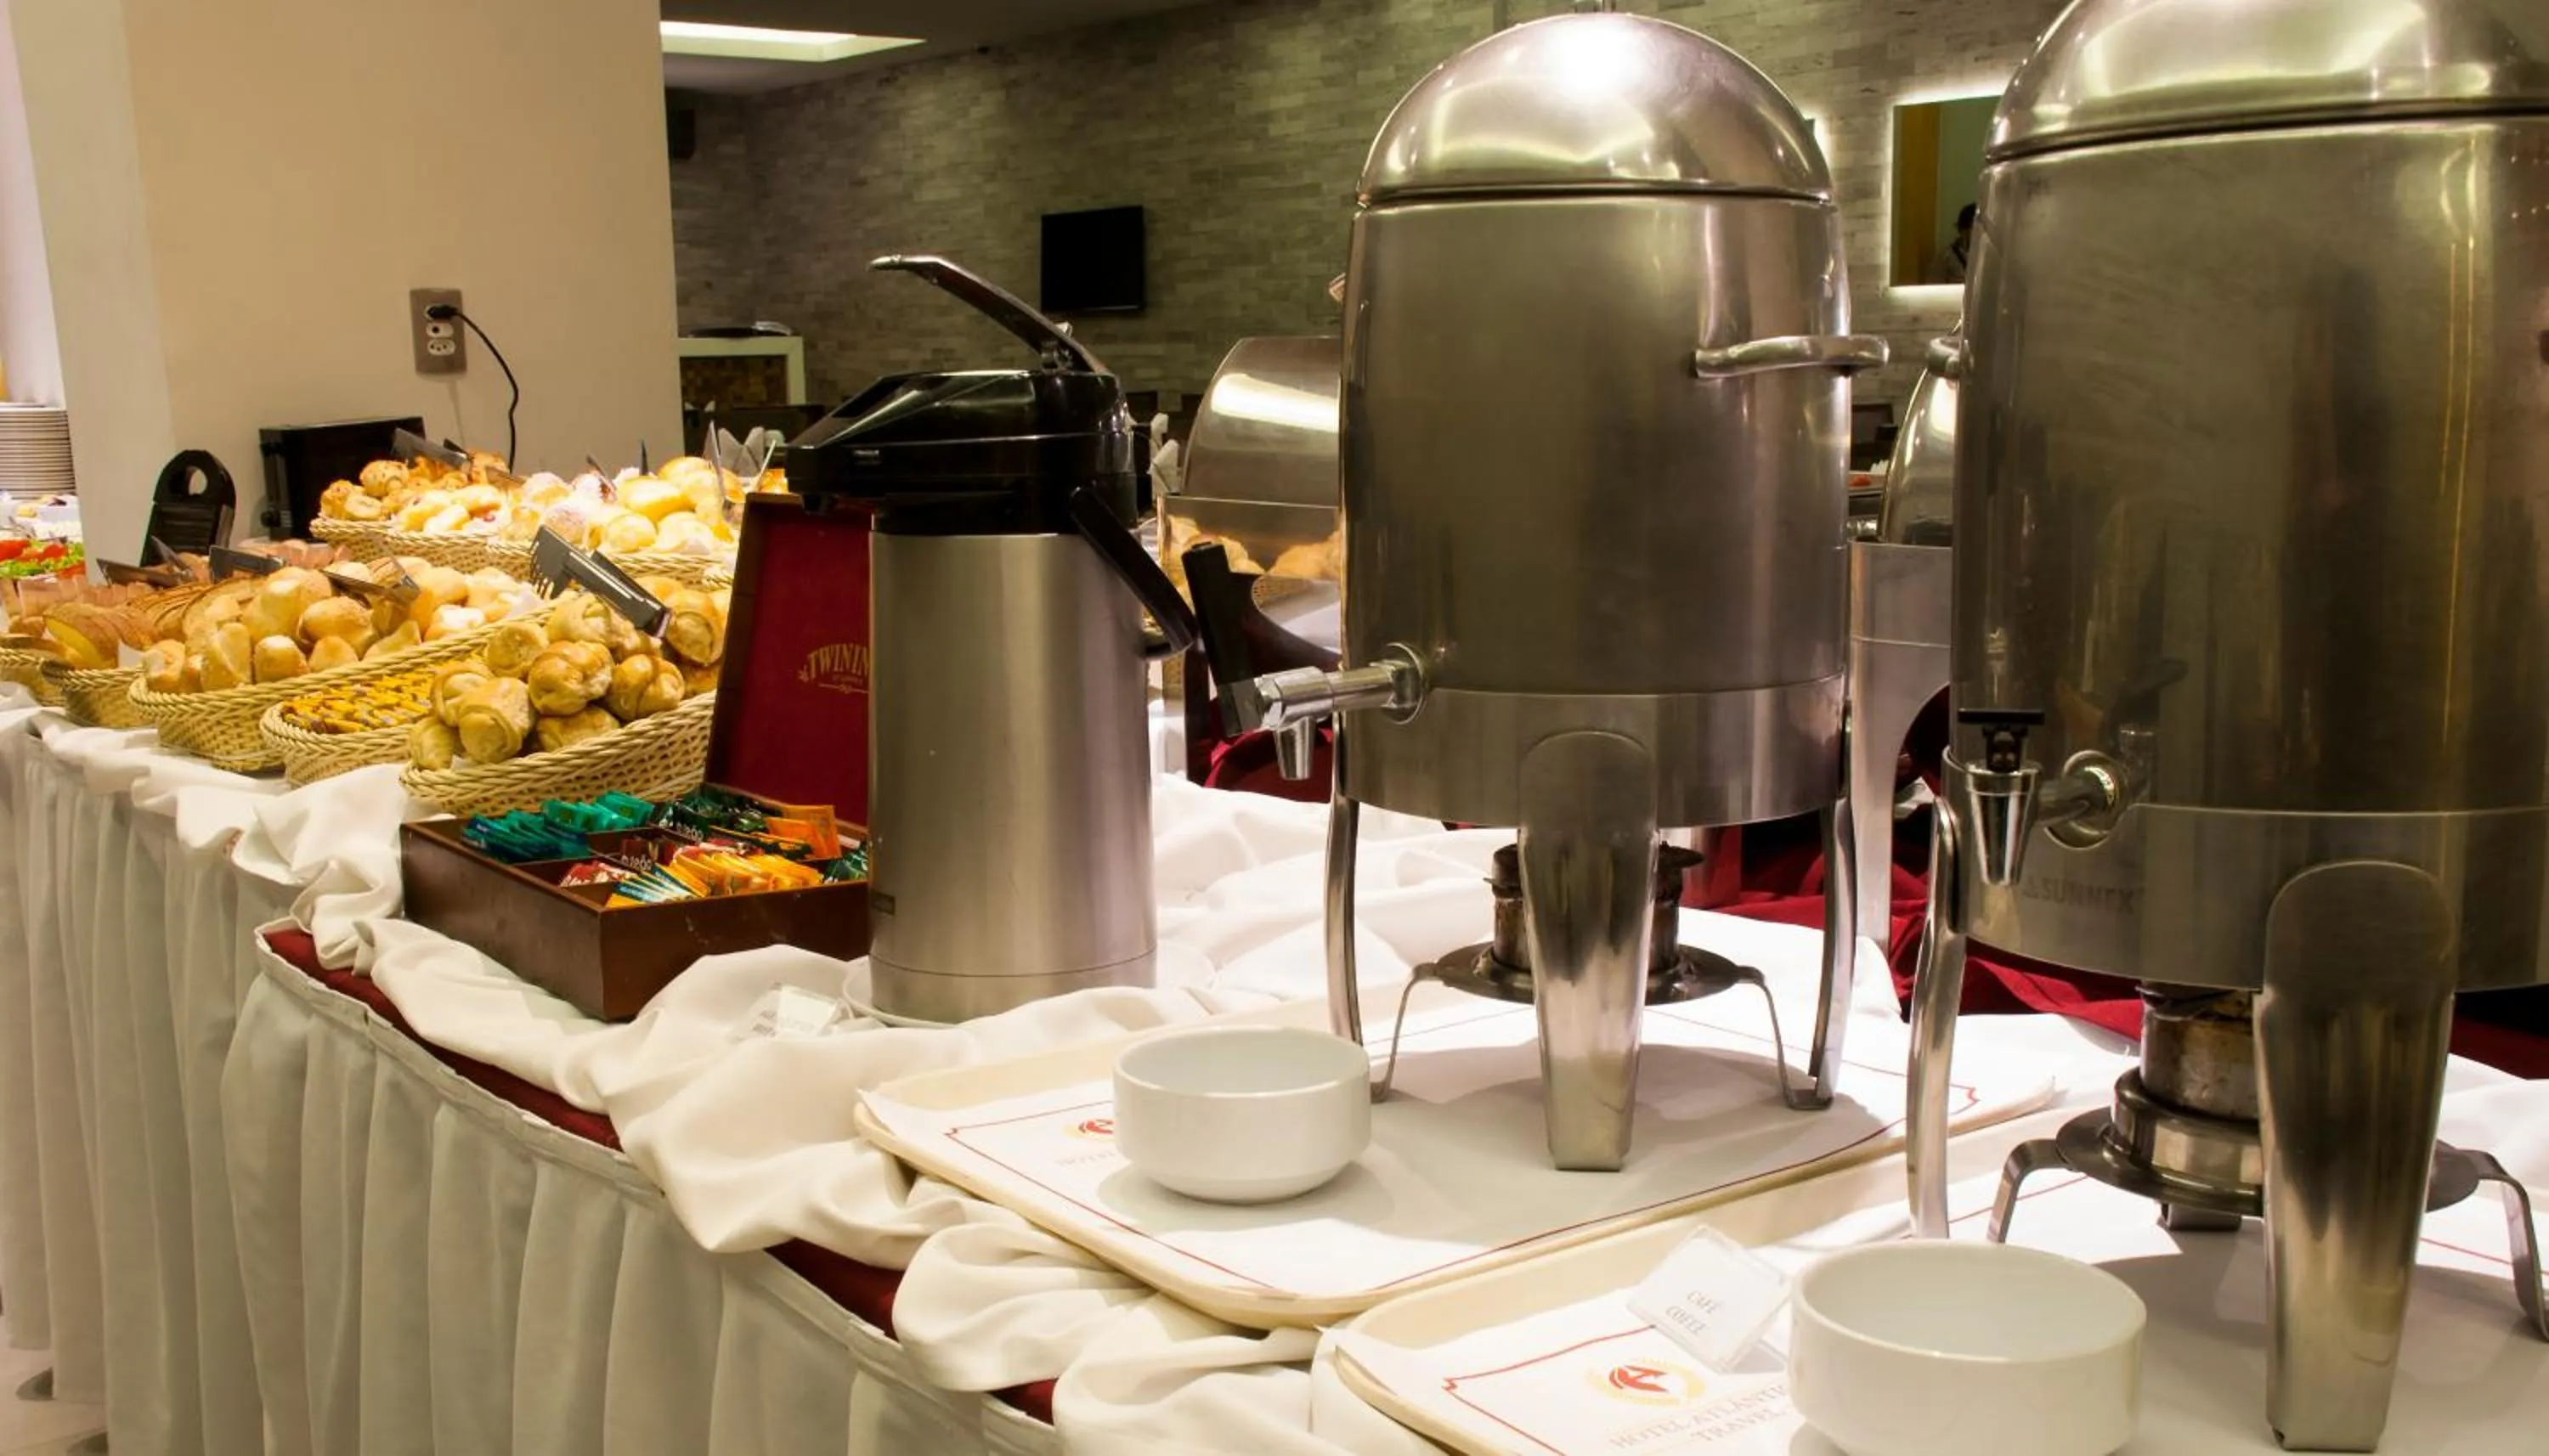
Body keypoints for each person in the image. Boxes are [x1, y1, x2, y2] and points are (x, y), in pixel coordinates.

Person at [1931, 203, 1977, 285]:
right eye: (1974, 228)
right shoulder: (1946, 256)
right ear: (1963, 230)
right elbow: (1933, 286)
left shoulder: (1985, 257)